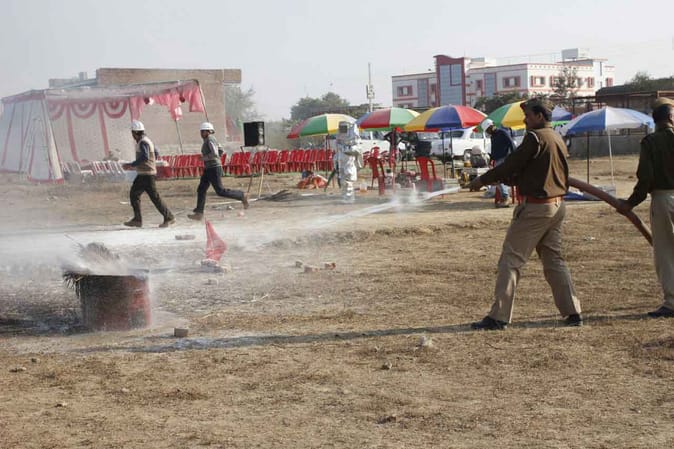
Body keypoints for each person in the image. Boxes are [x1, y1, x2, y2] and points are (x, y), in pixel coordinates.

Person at [468, 98, 582, 330]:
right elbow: (533, 171)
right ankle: (573, 312)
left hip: (536, 208)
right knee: (554, 261)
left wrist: (482, 180)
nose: (525, 119)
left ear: (539, 116)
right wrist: (511, 179)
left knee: (510, 260)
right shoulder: (556, 137)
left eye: (528, 115)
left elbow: (511, 164)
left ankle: (499, 316)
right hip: (556, 206)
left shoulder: (535, 137)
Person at [616, 98, 674, 318]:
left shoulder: (651, 142)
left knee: (666, 253)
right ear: (671, 117)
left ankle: (672, 303)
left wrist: (630, 203)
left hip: (663, 199)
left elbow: (645, 178)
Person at [188, 122, 249, 221]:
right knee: (201, 189)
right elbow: (220, 150)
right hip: (209, 168)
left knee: (220, 191)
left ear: (208, 131)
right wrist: (214, 159)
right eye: (201, 131)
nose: (201, 133)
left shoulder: (210, 139)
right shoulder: (210, 140)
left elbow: (215, 153)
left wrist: (204, 158)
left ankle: (242, 195)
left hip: (213, 168)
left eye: (203, 131)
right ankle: (199, 212)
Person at [122, 121, 175, 228]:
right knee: (138, 194)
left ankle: (167, 217)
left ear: (135, 132)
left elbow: (145, 156)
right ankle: (138, 219)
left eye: (132, 133)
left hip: (146, 174)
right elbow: (156, 152)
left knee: (142, 195)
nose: (132, 135)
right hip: (146, 173)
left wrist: (131, 165)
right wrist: (151, 162)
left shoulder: (143, 142)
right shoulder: (147, 140)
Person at [482, 118, 517, 208]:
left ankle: (505, 197)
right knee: (494, 178)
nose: (488, 132)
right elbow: (494, 149)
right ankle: (504, 196)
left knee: (497, 177)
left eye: (488, 130)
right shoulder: (493, 136)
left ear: (491, 126)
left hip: (505, 159)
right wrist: (491, 160)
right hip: (497, 160)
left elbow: (511, 144)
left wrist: (514, 157)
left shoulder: (502, 132)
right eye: (487, 131)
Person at [335, 121, 364, 202]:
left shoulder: (354, 138)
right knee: (342, 181)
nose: (342, 129)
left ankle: (349, 198)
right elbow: (337, 150)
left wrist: (347, 148)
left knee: (348, 180)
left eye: (344, 127)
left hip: (349, 162)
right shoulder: (339, 139)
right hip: (341, 162)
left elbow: (357, 149)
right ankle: (345, 197)